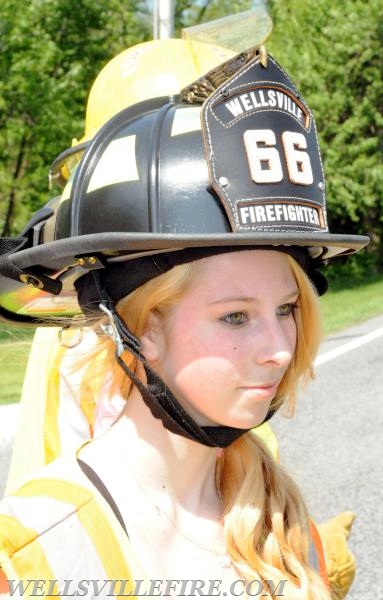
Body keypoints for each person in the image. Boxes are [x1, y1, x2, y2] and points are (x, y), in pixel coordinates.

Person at [0, 23, 369, 600]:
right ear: (143, 325)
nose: (280, 348)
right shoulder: (33, 559)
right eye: (235, 317)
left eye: (288, 308)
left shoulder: (281, 528)